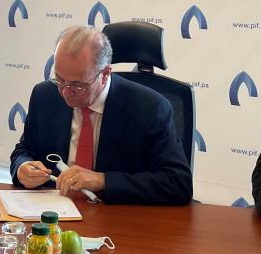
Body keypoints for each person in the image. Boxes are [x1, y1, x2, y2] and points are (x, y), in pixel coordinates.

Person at [10, 26, 193, 205]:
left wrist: (102, 180)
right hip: (55, 210)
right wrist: (22, 167)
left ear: (105, 74)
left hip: (116, 215)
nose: (65, 92)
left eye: (77, 85)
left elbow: (178, 183)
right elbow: (24, 150)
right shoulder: (44, 96)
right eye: (59, 79)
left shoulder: (149, 108)